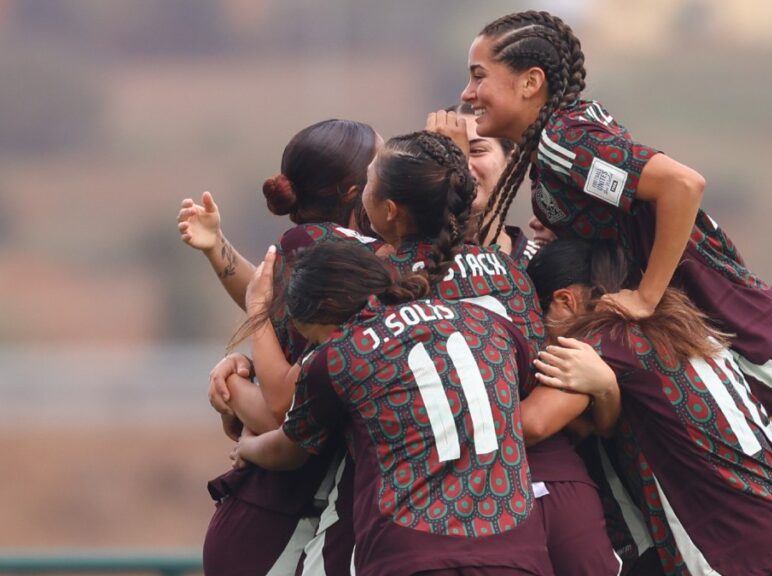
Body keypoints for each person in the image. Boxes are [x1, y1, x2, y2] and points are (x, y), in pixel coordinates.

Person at [459, 10, 772, 470]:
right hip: (709, 334)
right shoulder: (557, 145)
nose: (467, 93)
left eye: (478, 76)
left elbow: (682, 185)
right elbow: (626, 207)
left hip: (739, 328)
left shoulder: (563, 140)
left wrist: (646, 296)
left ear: (531, 82)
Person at [364, 130, 621, 574]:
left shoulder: (377, 281)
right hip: (556, 479)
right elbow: (544, 384)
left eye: (370, 180)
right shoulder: (509, 269)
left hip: (454, 498)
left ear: (390, 209)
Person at [234, 241, 555, 576]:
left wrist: (247, 445)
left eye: (314, 338)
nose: (317, 347)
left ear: (326, 309)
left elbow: (288, 450)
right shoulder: (488, 324)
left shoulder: (342, 355)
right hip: (517, 553)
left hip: (411, 554)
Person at [524, 240, 772, 575]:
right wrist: (606, 394)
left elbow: (533, 423)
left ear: (565, 300)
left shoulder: (608, 336)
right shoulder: (684, 326)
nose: (539, 340)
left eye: (537, 323)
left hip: (750, 557)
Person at [179, 118, 381, 575]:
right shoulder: (332, 246)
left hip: (277, 512)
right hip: (277, 519)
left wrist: (218, 250)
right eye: (381, 164)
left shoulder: (324, 246)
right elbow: (284, 410)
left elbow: (265, 301)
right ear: (353, 190)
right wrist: (242, 394)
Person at [427, 104, 540, 267]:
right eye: (446, 153)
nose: (463, 164)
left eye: (477, 150)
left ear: (512, 162)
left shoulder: (540, 266)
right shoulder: (407, 269)